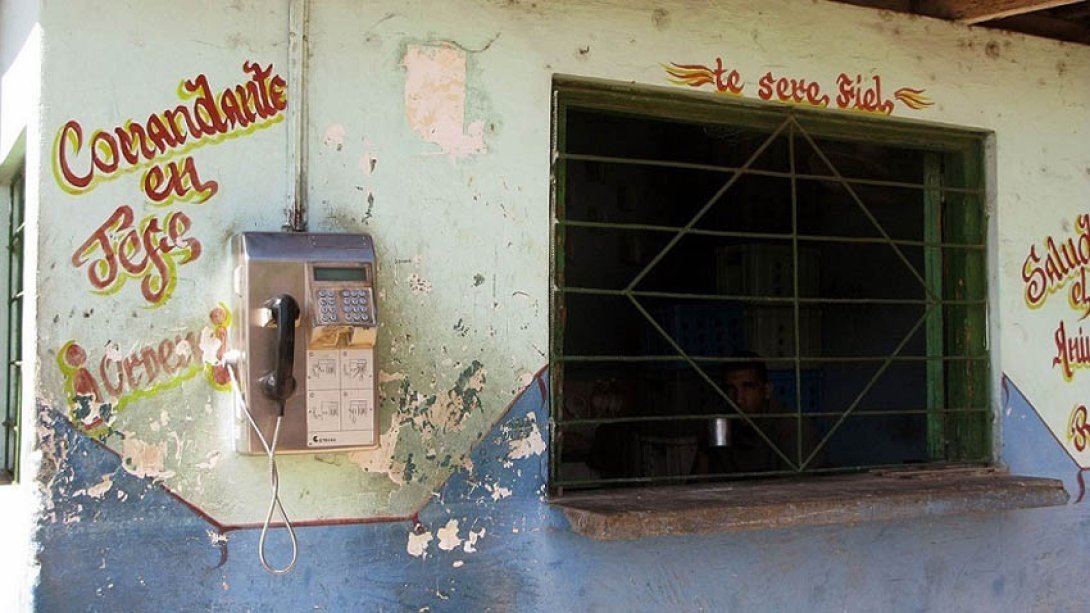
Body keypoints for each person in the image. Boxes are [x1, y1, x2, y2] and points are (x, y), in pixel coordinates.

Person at [693, 352, 799, 476]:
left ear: (766, 391)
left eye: (748, 387)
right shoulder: (722, 425)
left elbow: (797, 489)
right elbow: (701, 485)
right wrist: (703, 451)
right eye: (731, 389)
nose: (738, 398)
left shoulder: (790, 428)